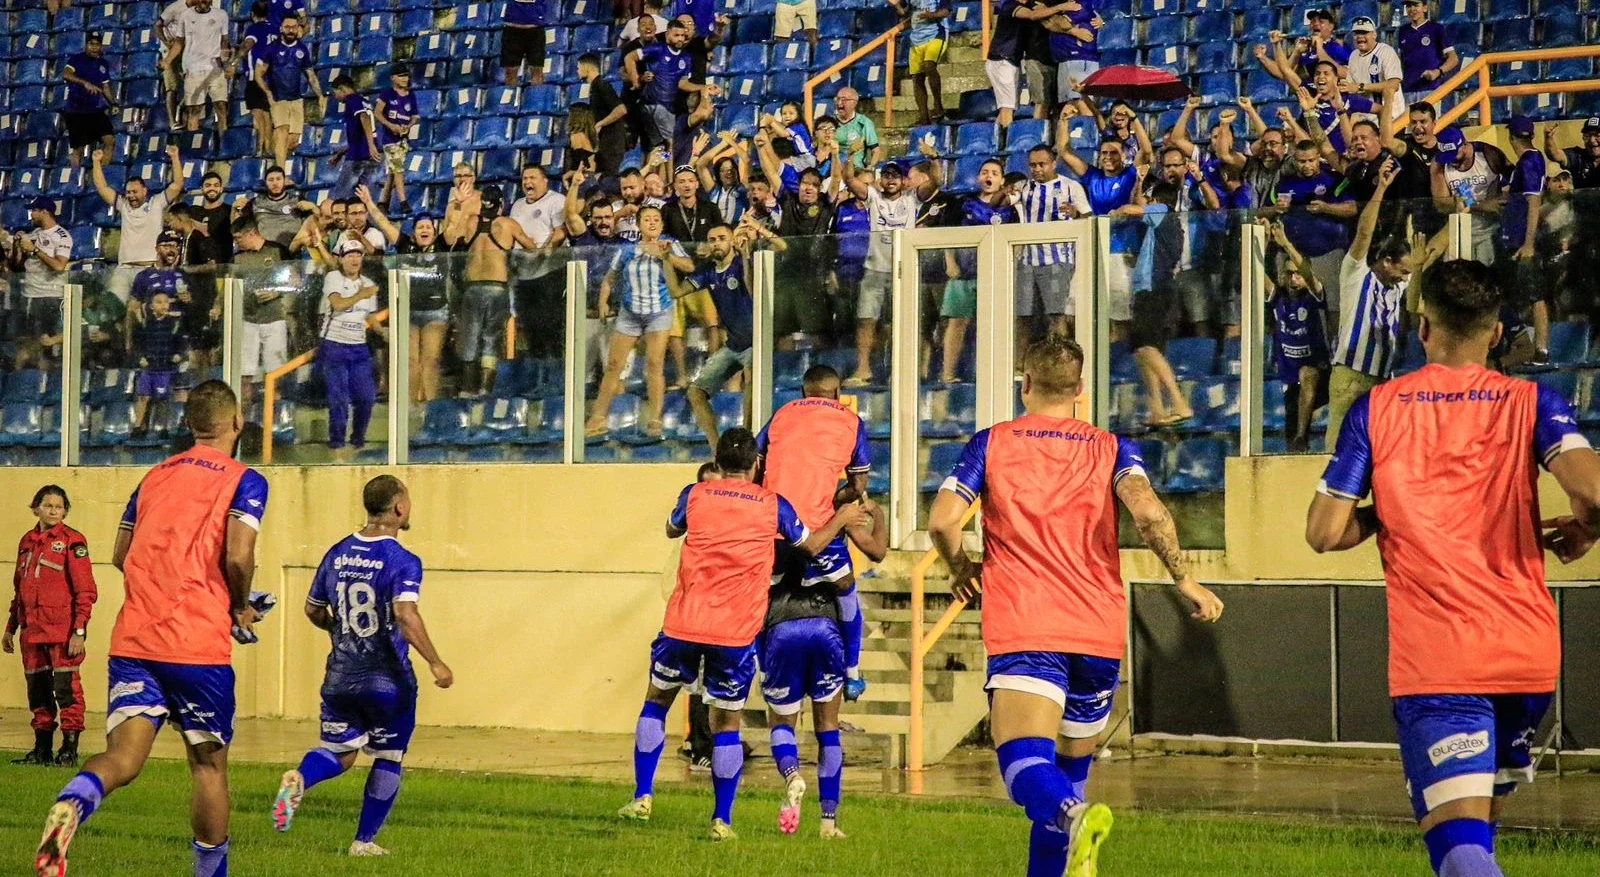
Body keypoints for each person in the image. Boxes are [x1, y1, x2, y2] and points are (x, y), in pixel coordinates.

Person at [1305, 259, 1600, 877]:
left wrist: (1391, 508)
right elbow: (1594, 494)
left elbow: (1324, 532)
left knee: (1457, 844)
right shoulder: (1533, 401)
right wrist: (1585, 529)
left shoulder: (1377, 409)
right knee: (1479, 829)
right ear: (1495, 333)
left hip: (1440, 658)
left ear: (1421, 326)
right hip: (1527, 655)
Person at [929, 334, 1223, 877]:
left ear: (1025, 384)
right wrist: (1184, 580)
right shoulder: (1113, 449)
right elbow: (1152, 515)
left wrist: (962, 567)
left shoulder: (991, 443)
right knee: (1069, 770)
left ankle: (1074, 813)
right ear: (1081, 391)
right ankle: (1072, 817)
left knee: (1024, 766)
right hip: (1098, 634)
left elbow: (943, 521)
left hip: (1028, 626)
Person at [36, 380, 269, 877]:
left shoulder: (154, 478)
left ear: (189, 425)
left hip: (136, 642)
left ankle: (73, 803)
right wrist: (239, 606)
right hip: (197, 648)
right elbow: (238, 554)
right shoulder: (244, 479)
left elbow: (121, 555)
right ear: (236, 423)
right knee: (208, 766)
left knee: (123, 758)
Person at [617, 428, 862, 840]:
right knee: (726, 723)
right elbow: (813, 546)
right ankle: (721, 820)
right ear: (756, 464)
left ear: (718, 458)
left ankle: (643, 795)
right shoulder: (773, 505)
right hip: (734, 631)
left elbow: (671, 529)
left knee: (657, 700)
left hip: (683, 620)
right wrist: (840, 517)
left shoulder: (694, 495)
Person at [273, 475, 453, 856]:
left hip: (340, 675)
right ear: (399, 508)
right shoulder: (402, 560)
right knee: (388, 755)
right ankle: (363, 841)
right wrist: (436, 662)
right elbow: (405, 614)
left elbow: (312, 609)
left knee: (340, 753)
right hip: (388, 680)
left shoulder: (337, 552)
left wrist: (342, 633)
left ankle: (301, 778)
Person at [763, 491, 886, 839]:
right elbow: (877, 552)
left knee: (782, 724)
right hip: (827, 629)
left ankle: (792, 775)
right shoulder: (836, 522)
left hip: (782, 627)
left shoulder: (776, 524)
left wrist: (760, 661)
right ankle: (828, 823)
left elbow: (756, 604)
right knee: (828, 728)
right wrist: (852, 670)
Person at [756, 365, 874, 696]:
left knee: (759, 596)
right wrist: (836, 498)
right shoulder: (851, 421)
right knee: (847, 589)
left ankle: (765, 670)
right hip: (818, 525)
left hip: (774, 524)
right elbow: (858, 483)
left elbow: (754, 459)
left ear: (802, 393)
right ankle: (852, 672)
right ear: (838, 395)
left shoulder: (782, 414)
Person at [1328, 158, 1447, 448]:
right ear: (1386, 261)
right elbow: (1364, 233)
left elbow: (1427, 256)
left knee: (1379, 451)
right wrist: (1381, 188)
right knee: (1338, 450)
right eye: (1403, 270)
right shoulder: (1356, 275)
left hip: (1382, 379)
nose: (1405, 276)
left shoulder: (1400, 282)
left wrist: (1460, 217)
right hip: (1350, 375)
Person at [4, 486, 97, 768]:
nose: (53, 510)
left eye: (59, 506)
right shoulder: (27, 542)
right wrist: (11, 628)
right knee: (38, 691)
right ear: (36, 509)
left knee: (66, 690)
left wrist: (79, 631)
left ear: (65, 511)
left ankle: (68, 751)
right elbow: (19, 590)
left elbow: (85, 592)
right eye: (48, 505)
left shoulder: (72, 541)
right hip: (31, 633)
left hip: (62, 633)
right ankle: (41, 749)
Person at [586, 205, 694, 438]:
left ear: (662, 224)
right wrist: (603, 302)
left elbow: (689, 266)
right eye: (647, 219)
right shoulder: (628, 249)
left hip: (659, 311)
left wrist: (666, 256)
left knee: (654, 365)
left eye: (656, 219)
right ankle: (597, 417)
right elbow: (610, 278)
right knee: (614, 365)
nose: (652, 223)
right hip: (630, 312)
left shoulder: (669, 244)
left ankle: (655, 419)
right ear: (639, 224)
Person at [686, 219, 780, 449]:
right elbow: (676, 291)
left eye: (721, 238)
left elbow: (751, 287)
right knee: (695, 392)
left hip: (756, 342)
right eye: (712, 240)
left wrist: (747, 252)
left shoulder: (742, 263)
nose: (716, 243)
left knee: (751, 376)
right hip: (733, 345)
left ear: (732, 240)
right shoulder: (708, 272)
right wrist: (667, 259)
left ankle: (748, 441)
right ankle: (717, 448)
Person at [442, 185, 540, 395]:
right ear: (501, 204)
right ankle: (485, 389)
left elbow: (450, 239)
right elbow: (532, 248)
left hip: (472, 288)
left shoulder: (471, 222)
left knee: (470, 337)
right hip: (497, 288)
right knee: (490, 339)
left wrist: (459, 206)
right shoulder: (508, 224)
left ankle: (467, 389)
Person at [836, 160, 919, 387]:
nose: (890, 180)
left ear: (903, 181)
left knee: (899, 323)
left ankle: (900, 370)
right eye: (887, 175)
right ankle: (864, 369)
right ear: (880, 179)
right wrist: (850, 155)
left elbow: (935, 182)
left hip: (903, 272)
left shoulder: (911, 199)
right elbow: (849, 179)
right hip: (874, 270)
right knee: (866, 320)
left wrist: (933, 159)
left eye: (896, 176)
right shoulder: (874, 197)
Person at [940, 159, 1018, 384]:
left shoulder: (1010, 209)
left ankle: (995, 375)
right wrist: (950, 261)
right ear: (978, 178)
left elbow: (1019, 239)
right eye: (984, 172)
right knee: (957, 323)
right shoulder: (963, 203)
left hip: (994, 276)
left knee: (995, 325)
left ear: (1002, 180)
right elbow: (948, 235)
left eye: (994, 173)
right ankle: (948, 374)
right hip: (963, 275)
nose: (989, 176)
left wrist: (1010, 265)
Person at [1015, 144, 1090, 346]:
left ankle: (1062, 361)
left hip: (1058, 260)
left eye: (1042, 164)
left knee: (1057, 315)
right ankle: (1019, 366)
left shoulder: (1070, 186)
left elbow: (1090, 219)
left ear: (1053, 163)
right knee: (1023, 316)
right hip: (1026, 261)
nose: (1037, 169)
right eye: (1033, 165)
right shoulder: (1023, 187)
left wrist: (1076, 214)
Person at [1265, 220, 1329, 452]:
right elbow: (1256, 271)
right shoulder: (1279, 299)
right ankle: (1298, 443)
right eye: (1288, 273)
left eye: (1297, 274)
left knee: (1308, 372)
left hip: (1322, 374)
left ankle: (1303, 435)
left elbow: (1309, 276)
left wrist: (1286, 243)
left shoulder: (1314, 297)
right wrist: (1261, 241)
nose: (1293, 278)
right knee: (1290, 442)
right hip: (1291, 381)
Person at [92, 144, 183, 303]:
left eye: (135, 192)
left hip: (148, 268)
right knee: (113, 309)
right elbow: (101, 187)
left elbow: (177, 185)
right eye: (128, 192)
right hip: (124, 269)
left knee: (145, 311)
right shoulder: (123, 205)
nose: (131, 196)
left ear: (144, 191)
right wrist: (96, 162)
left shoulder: (157, 203)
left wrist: (175, 158)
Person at [318, 240, 382, 452]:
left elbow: (370, 316)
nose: (354, 259)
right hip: (334, 344)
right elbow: (338, 304)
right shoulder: (333, 278)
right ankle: (337, 442)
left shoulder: (368, 282)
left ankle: (358, 440)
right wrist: (361, 294)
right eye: (350, 255)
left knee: (367, 396)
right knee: (339, 398)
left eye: (358, 255)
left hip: (358, 347)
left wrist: (384, 332)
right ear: (341, 259)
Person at [1498, 116, 1548, 362]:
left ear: (1512, 137)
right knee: (1505, 292)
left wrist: (1528, 243)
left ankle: (1539, 349)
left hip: (1521, 242)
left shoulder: (1529, 162)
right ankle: (1526, 343)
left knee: (1534, 294)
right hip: (1515, 240)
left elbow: (1534, 201)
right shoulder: (1531, 160)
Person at [388, 215, 452, 402]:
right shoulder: (405, 246)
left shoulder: (442, 245)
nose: (424, 230)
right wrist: (369, 203)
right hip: (409, 312)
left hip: (435, 311)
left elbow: (455, 223)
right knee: (411, 362)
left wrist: (458, 203)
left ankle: (431, 407)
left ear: (434, 232)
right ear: (414, 233)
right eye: (420, 227)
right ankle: (412, 405)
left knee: (430, 361)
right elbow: (383, 223)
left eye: (428, 227)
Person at [5, 198, 72, 368]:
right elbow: (15, 267)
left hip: (52, 297)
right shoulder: (34, 235)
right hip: (31, 297)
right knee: (30, 347)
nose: (31, 215)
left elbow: (59, 266)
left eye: (34, 210)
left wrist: (35, 250)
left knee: (49, 345)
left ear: (44, 212)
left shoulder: (62, 236)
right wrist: (17, 247)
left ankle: (50, 384)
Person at [255, 15, 323, 170]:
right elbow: (258, 73)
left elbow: (310, 74)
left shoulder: (302, 49)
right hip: (279, 98)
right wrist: (267, 92)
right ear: (281, 29)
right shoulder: (271, 48)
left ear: (298, 28)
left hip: (296, 99)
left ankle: (273, 153)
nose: (291, 30)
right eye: (287, 27)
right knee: (282, 131)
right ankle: (281, 172)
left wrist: (320, 95)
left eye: (293, 27)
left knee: (292, 140)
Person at [130, 289, 188, 435]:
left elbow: (181, 344)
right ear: (151, 306)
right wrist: (140, 357)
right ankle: (138, 427)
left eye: (166, 302)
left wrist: (178, 355)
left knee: (163, 399)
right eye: (159, 302)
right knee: (143, 396)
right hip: (148, 368)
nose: (164, 305)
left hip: (165, 368)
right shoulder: (145, 324)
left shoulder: (174, 324)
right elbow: (137, 344)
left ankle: (163, 427)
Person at [170, 0, 230, 133]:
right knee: (194, 110)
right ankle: (193, 145)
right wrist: (167, 61)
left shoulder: (221, 15)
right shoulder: (185, 15)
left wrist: (225, 58)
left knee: (221, 106)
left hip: (215, 68)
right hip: (193, 69)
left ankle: (224, 143)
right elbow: (179, 43)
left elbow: (225, 40)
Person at [61, 32, 116, 168]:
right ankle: (74, 182)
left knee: (109, 141)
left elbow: (106, 86)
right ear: (86, 45)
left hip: (94, 110)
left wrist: (113, 103)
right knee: (78, 149)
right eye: (91, 44)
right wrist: (85, 83)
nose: (94, 47)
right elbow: (66, 74)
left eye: (97, 44)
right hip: (76, 110)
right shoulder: (76, 60)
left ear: (101, 46)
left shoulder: (103, 64)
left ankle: (102, 175)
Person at [894, 0, 950, 125]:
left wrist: (932, 16)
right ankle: (924, 117)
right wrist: (896, 5)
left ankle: (938, 105)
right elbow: (906, 13)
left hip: (936, 33)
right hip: (916, 39)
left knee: (929, 65)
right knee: (917, 77)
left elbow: (946, 11)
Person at [372, 65, 418, 214]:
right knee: (398, 169)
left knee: (393, 171)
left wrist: (408, 126)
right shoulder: (387, 94)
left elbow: (415, 117)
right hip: (390, 139)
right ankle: (403, 202)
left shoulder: (411, 95)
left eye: (406, 76)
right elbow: (377, 113)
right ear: (393, 77)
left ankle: (382, 203)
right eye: (401, 75)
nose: (405, 79)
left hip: (404, 139)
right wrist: (391, 126)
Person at [328, 75, 380, 201]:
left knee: (339, 198)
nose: (335, 97)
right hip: (369, 156)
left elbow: (364, 117)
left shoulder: (352, 100)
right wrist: (341, 153)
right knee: (363, 199)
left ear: (342, 89)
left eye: (335, 93)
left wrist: (371, 145)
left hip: (357, 158)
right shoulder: (365, 102)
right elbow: (358, 134)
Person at [1395, 0, 1457, 106]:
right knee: (1409, 122)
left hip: (1432, 89)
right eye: (1409, 6)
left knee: (1432, 121)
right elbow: (1399, 60)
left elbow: (1453, 59)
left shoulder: (1436, 29)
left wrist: (1437, 72)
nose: (1412, 9)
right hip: (1408, 91)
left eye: (1416, 5)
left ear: (1425, 8)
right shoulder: (1402, 31)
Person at [236, 0, 277, 156]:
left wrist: (233, 62)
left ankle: (261, 149)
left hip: (256, 77)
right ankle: (268, 147)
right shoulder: (275, 29)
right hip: (272, 77)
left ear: (252, 14)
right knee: (267, 114)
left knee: (258, 114)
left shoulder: (254, 28)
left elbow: (247, 46)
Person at [242, 165, 317, 249]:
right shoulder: (255, 203)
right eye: (271, 180)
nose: (275, 183)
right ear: (265, 183)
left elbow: (318, 223)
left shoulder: (298, 201)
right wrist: (234, 209)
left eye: (278, 179)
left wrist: (314, 208)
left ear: (284, 181)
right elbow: (240, 228)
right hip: (264, 252)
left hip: (292, 252)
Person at [578, 53, 628, 177]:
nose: (577, 71)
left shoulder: (602, 85)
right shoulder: (595, 86)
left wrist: (601, 123)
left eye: (578, 68)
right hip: (605, 143)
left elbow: (621, 109)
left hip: (612, 143)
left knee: (609, 179)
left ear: (586, 68)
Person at [1344, 16, 1402, 118]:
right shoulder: (1353, 55)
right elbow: (1350, 86)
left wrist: (1360, 87)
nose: (1360, 36)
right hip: (1366, 118)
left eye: (1364, 32)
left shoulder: (1386, 51)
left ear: (1374, 34)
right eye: (1356, 33)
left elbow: (1394, 84)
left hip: (1390, 115)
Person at [832, 88, 882, 171]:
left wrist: (870, 166)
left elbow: (876, 151)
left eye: (844, 100)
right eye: (838, 99)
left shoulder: (864, 123)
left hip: (856, 169)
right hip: (834, 169)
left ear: (854, 103)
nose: (839, 103)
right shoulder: (830, 123)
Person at [502, 0, 550, 86]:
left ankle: (535, 98)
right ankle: (511, 98)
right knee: (510, 72)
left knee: (537, 70)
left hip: (535, 27)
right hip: (512, 27)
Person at [1545, 116, 1600, 189]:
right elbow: (1555, 154)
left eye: (1597, 135)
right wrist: (1548, 138)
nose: (1592, 140)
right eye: (1587, 136)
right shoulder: (1577, 156)